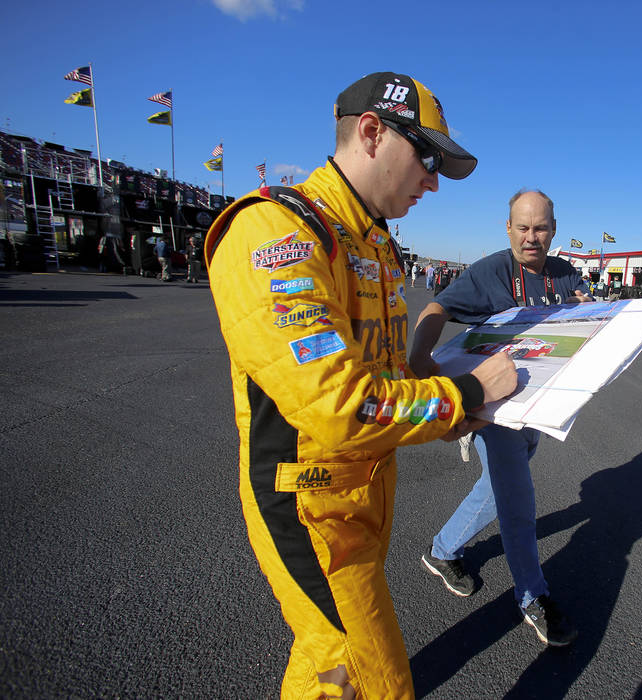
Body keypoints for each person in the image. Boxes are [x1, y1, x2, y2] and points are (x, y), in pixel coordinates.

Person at [203, 71, 518, 699]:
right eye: (426, 157)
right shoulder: (276, 232)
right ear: (371, 132)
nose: (432, 179)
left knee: (329, 671)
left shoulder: (374, 243)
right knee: (371, 675)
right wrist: (468, 394)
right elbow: (338, 404)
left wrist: (455, 404)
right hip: (308, 506)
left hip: (363, 498)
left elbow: (387, 379)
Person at [409, 189, 591, 648]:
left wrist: (587, 309)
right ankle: (533, 595)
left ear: (554, 229)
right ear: (508, 227)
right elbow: (436, 309)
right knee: (518, 502)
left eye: (541, 228)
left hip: (537, 409)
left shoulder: (565, 272)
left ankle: (443, 549)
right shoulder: (490, 271)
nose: (532, 238)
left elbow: (582, 315)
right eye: (523, 228)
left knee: (495, 490)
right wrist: (419, 364)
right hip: (495, 412)